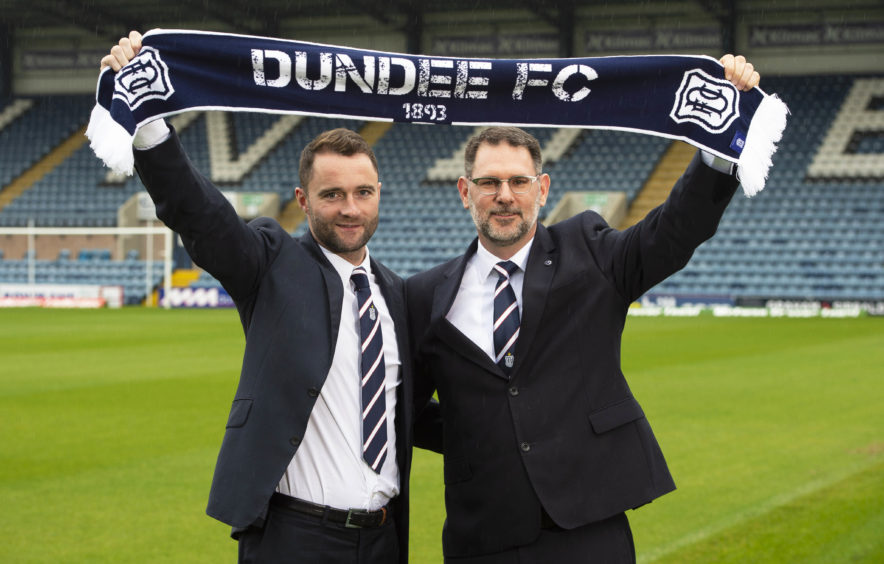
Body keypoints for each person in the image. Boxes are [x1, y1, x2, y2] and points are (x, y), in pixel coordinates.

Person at [407, 57, 761, 562]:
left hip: (588, 527)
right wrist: (484, 436)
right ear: (466, 192)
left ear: (542, 189)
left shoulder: (590, 251)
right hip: (482, 533)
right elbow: (406, 413)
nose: (504, 196)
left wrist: (719, 143)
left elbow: (674, 232)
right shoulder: (425, 295)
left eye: (518, 182)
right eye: (489, 183)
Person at [102, 31, 416, 564]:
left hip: (384, 539)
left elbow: (405, 408)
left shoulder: (399, 296)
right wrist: (150, 122)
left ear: (379, 195)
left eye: (363, 192)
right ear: (302, 200)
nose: (350, 208)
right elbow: (203, 216)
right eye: (332, 194)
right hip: (295, 539)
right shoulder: (273, 262)